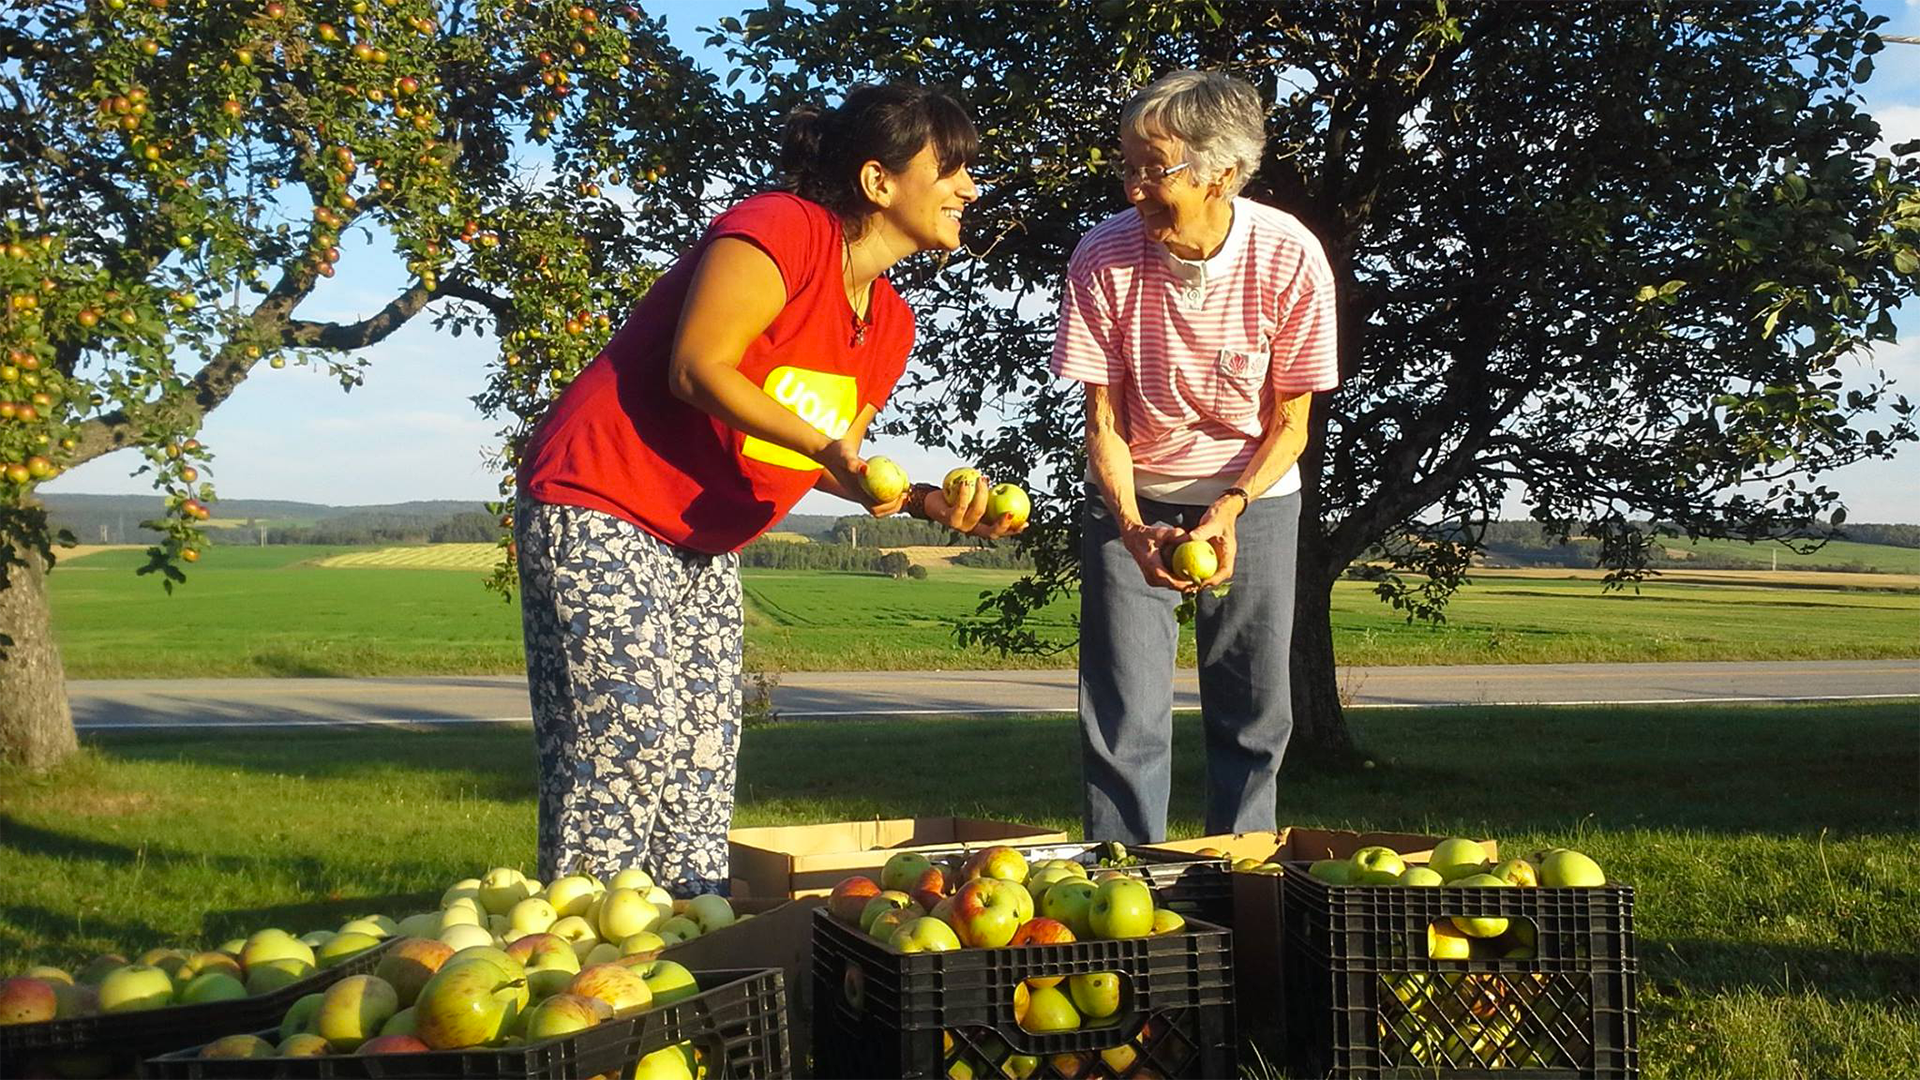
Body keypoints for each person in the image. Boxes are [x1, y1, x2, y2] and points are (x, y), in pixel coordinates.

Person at [514, 84, 1019, 891]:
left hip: (701, 540)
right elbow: (697, 367)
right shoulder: (782, 227)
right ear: (878, 181)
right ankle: (586, 968)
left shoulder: (887, 321)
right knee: (625, 740)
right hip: (601, 499)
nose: (970, 189)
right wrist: (830, 447)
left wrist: (927, 502)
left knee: (701, 759)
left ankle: (689, 958)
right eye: (951, 168)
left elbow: (831, 458)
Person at [1051, 70, 1340, 844]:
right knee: (1123, 716)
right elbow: (1103, 419)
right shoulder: (1101, 257)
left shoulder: (1291, 257)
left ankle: (1238, 885)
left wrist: (1230, 507)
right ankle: (1122, 890)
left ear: (1223, 169)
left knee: (1251, 712)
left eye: (1156, 168)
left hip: (1256, 496)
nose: (1137, 186)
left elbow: (1291, 424)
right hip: (1132, 496)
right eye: (1129, 166)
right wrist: (1131, 519)